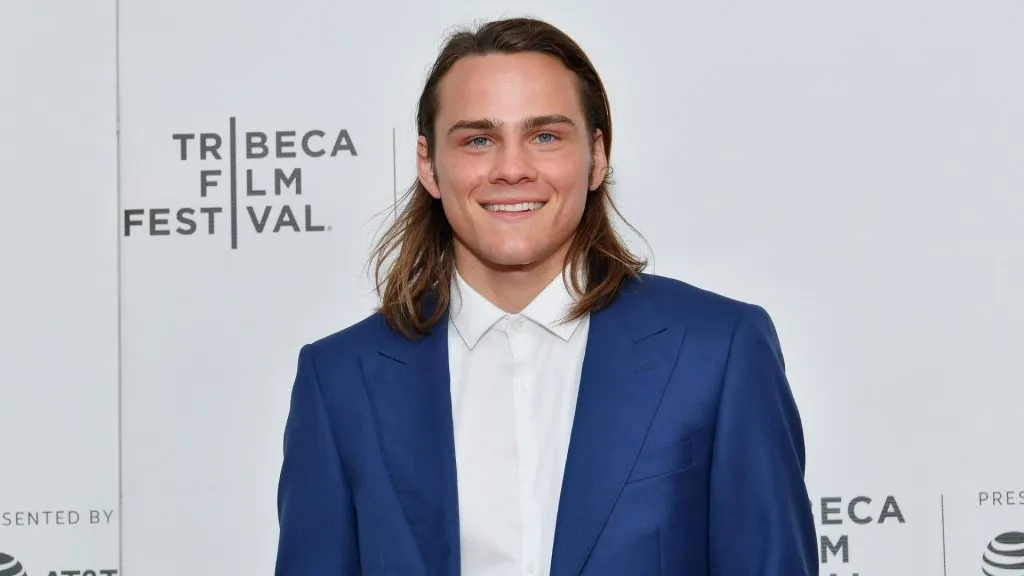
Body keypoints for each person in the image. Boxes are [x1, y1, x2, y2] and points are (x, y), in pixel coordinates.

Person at [275, 16, 818, 576]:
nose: (511, 169)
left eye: (545, 136)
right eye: (478, 139)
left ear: (597, 158)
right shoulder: (339, 379)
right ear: (428, 166)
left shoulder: (718, 352)